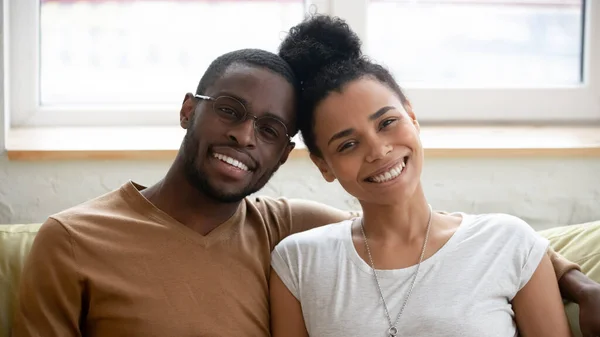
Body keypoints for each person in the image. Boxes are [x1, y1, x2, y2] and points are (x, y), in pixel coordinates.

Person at [9, 47, 599, 337]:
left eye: (269, 130)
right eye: (230, 113)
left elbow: (431, 233)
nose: (244, 136)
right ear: (189, 110)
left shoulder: (285, 228)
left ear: (287, 155)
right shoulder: (72, 241)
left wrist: (574, 280)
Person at [269, 15, 586, 337]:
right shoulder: (298, 261)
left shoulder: (508, 242)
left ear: (412, 117)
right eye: (348, 144)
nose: (378, 151)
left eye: (387, 123)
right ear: (323, 165)